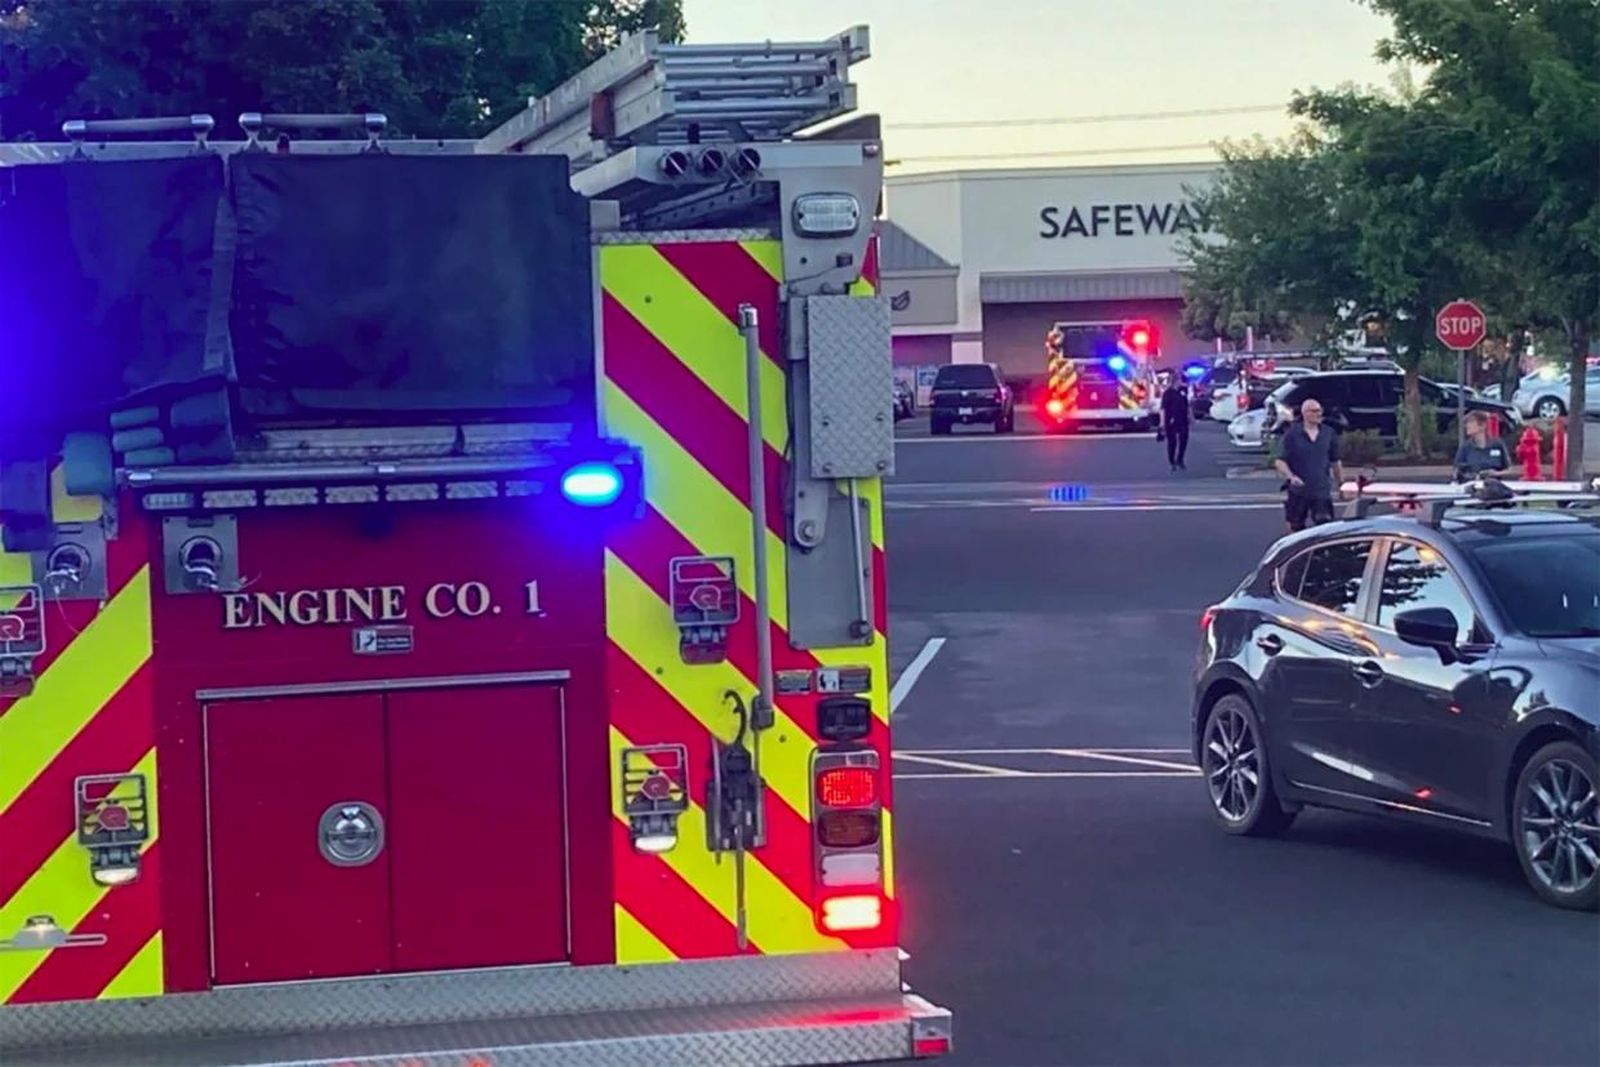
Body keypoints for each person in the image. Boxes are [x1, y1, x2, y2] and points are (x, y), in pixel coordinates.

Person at [1273, 398, 1344, 531]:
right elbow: (1280, 461)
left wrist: (1341, 484)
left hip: (1321, 490)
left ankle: (1321, 551)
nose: (1319, 414)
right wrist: (1291, 477)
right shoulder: (1292, 434)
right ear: (1305, 413)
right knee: (1295, 526)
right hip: (1298, 491)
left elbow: (1335, 461)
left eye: (1320, 411)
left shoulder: (1328, 433)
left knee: (1325, 527)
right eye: (1315, 411)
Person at [1453, 410, 1510, 482]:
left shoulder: (1498, 444)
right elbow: (1456, 470)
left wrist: (1495, 474)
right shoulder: (1465, 447)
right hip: (1471, 486)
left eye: (1471, 422)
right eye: (1467, 423)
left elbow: (1508, 469)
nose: (1467, 426)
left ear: (1482, 425)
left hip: (1494, 487)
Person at [1160, 378, 1190, 471]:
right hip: (1171, 420)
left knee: (1184, 439)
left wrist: (1191, 416)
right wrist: (1162, 423)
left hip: (1183, 419)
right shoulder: (1168, 393)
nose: (1181, 383)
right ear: (1174, 382)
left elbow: (1187, 405)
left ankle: (1180, 459)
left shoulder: (1183, 391)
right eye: (1179, 381)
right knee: (1172, 442)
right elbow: (1163, 408)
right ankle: (1172, 461)